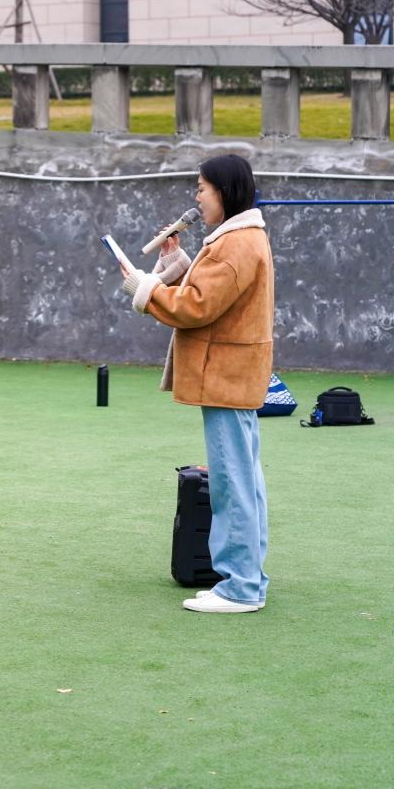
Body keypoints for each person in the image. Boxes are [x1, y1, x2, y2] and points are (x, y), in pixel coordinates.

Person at [120, 154, 274, 614]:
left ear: (223, 192)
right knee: (242, 481)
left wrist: (144, 287)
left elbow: (195, 307)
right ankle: (246, 578)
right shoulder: (240, 238)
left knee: (231, 484)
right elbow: (211, 295)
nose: (196, 196)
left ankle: (241, 587)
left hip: (226, 376)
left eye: (202, 188)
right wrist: (177, 263)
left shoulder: (234, 243)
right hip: (234, 375)